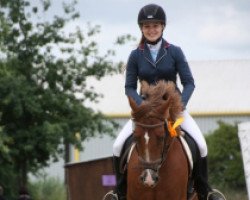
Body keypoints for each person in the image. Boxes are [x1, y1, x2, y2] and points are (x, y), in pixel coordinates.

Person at [108, 3, 224, 200]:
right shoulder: (136, 55)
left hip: (173, 110)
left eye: (155, 26)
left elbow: (189, 83)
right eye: (147, 26)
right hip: (145, 114)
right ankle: (118, 193)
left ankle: (206, 192)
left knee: (202, 145)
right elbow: (129, 87)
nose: (151, 30)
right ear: (141, 29)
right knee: (117, 145)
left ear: (162, 27)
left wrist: (179, 105)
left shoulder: (175, 52)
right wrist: (142, 107)